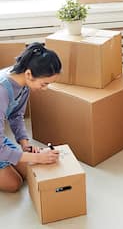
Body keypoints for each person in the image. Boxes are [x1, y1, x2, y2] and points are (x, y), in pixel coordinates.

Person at [0, 42, 62, 192]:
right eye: (44, 84)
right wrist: (37, 158)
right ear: (29, 74)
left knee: (27, 171)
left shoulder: (24, 84)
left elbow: (16, 115)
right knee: (14, 184)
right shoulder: (2, 90)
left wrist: (24, 144)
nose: (45, 89)